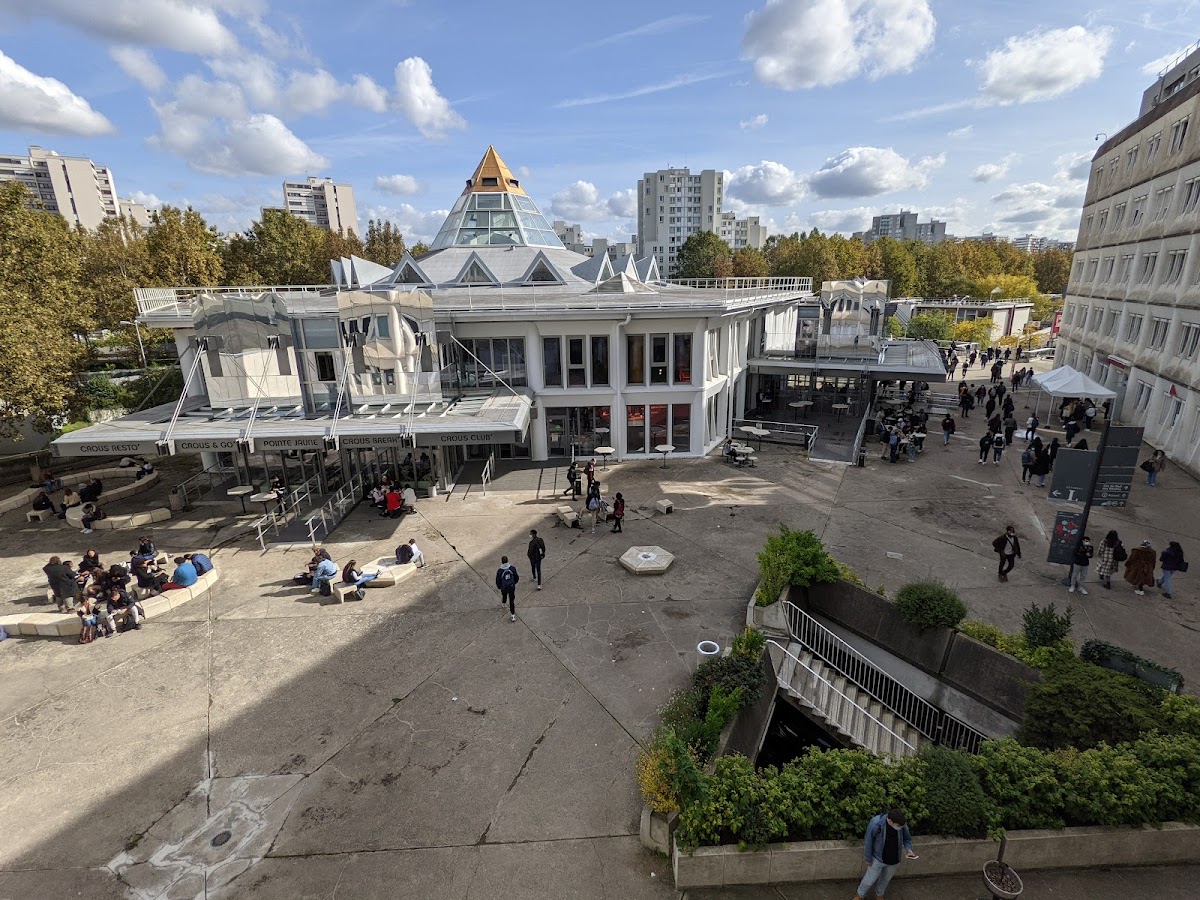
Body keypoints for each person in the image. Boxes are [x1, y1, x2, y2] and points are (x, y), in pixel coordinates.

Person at [854, 808, 916, 900]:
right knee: (868, 880)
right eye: (897, 825)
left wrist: (909, 849)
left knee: (885, 880)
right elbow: (869, 840)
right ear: (890, 821)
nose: (899, 827)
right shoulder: (876, 823)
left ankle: (879, 894)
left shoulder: (901, 825)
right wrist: (868, 858)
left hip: (893, 860)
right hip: (877, 859)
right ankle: (860, 895)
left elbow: (907, 839)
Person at [496, 555, 519, 622]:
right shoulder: (512, 568)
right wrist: (514, 583)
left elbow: (498, 580)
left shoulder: (500, 571)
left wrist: (499, 586)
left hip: (504, 587)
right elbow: (516, 577)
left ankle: (503, 602)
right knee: (511, 600)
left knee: (504, 595)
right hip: (511, 587)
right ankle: (513, 615)